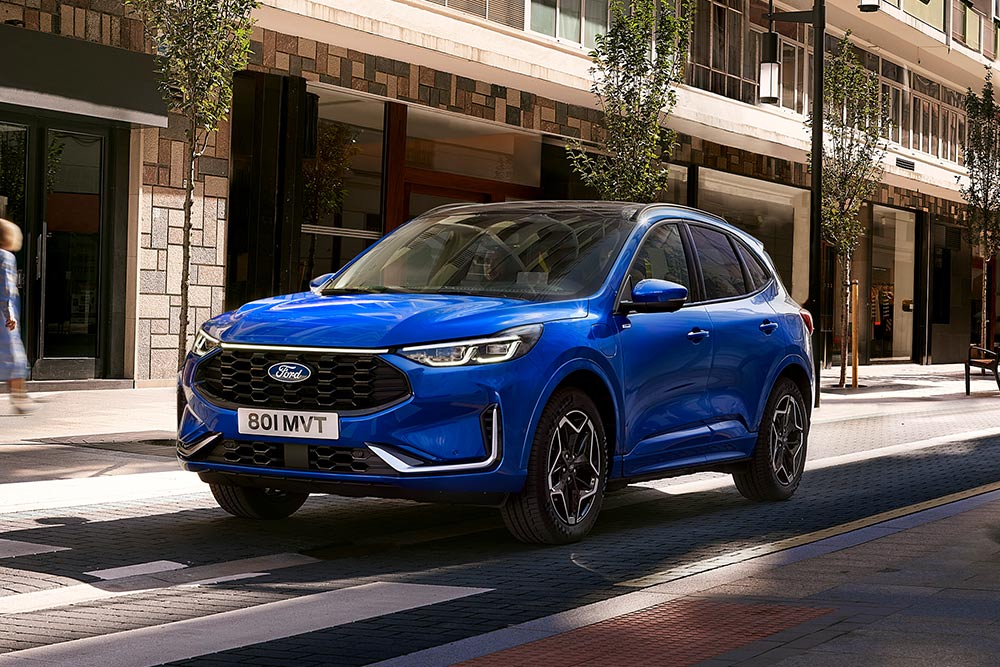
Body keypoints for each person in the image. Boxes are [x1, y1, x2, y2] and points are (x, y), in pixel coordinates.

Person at [0, 218, 33, 414]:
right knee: (14, 356)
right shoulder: (6, 257)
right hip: (5, 317)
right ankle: (19, 398)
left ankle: (20, 398)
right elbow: (5, 289)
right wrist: (9, 314)